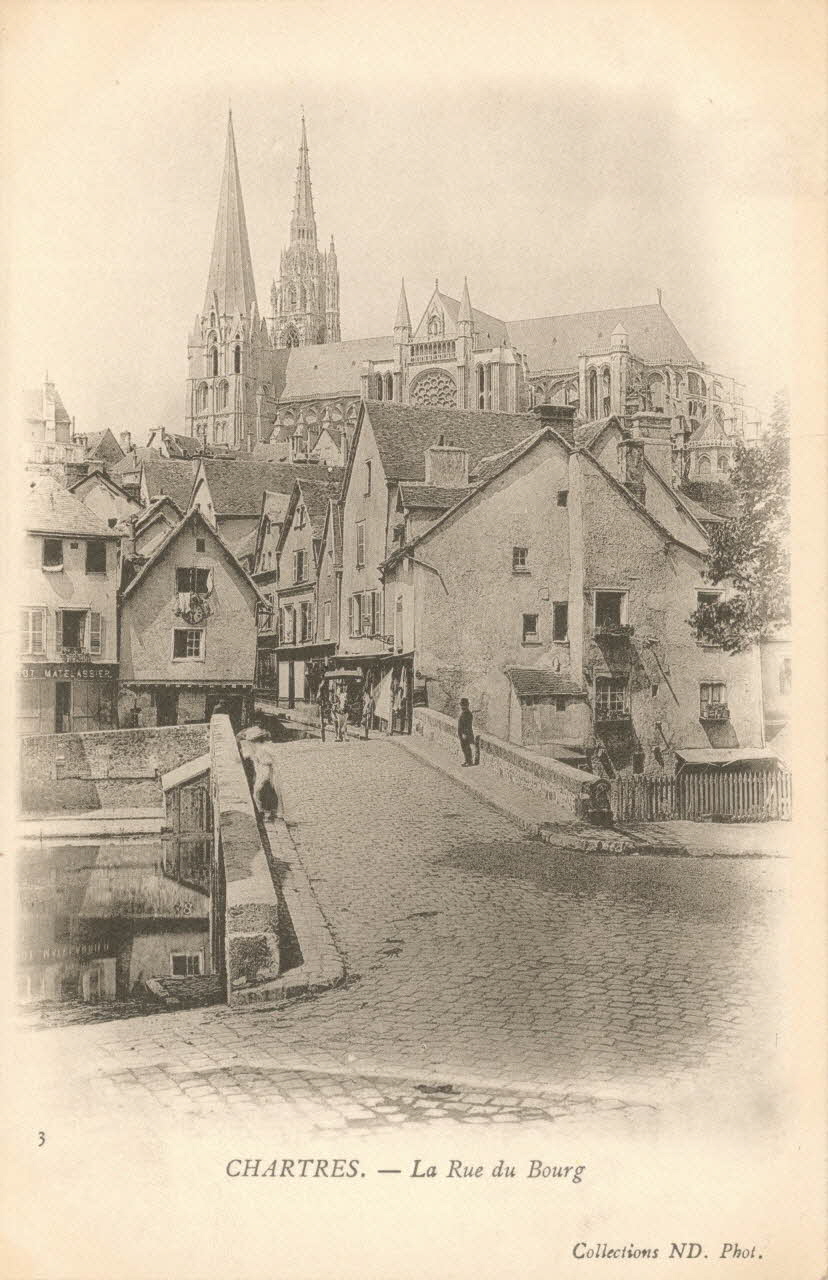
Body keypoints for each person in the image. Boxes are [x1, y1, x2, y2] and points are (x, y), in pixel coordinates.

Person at [458, 698, 475, 766]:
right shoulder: (463, 713)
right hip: (462, 733)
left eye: (464, 705)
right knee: (463, 747)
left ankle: (469, 762)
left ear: (467, 705)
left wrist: (465, 734)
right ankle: (466, 760)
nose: (462, 707)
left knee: (467, 748)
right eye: (462, 705)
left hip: (466, 734)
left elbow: (468, 726)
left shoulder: (468, 714)